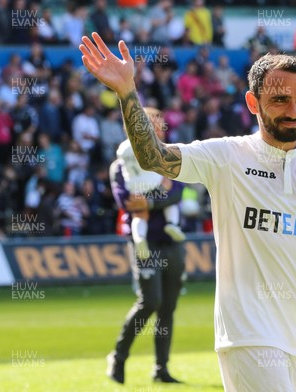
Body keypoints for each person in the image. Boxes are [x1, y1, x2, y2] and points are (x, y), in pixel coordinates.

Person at [80, 32, 296, 391]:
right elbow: (153, 157)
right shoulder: (225, 156)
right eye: (280, 100)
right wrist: (126, 93)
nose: (294, 111)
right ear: (252, 102)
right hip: (247, 338)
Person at [107, 107, 187, 384]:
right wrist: (159, 196)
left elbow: (178, 192)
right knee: (150, 301)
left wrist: (150, 202)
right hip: (144, 241)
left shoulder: (167, 156)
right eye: (149, 125)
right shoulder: (121, 163)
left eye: (156, 125)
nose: (155, 130)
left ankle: (160, 369)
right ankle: (119, 356)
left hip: (171, 241)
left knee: (168, 306)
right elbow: (126, 202)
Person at [116, 107, 186, 259]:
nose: (161, 131)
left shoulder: (123, 149)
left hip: (137, 190)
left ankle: (140, 237)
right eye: (156, 127)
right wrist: (154, 199)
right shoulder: (160, 151)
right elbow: (123, 200)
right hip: (152, 193)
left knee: (139, 215)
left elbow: (178, 192)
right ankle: (171, 224)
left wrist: (149, 203)